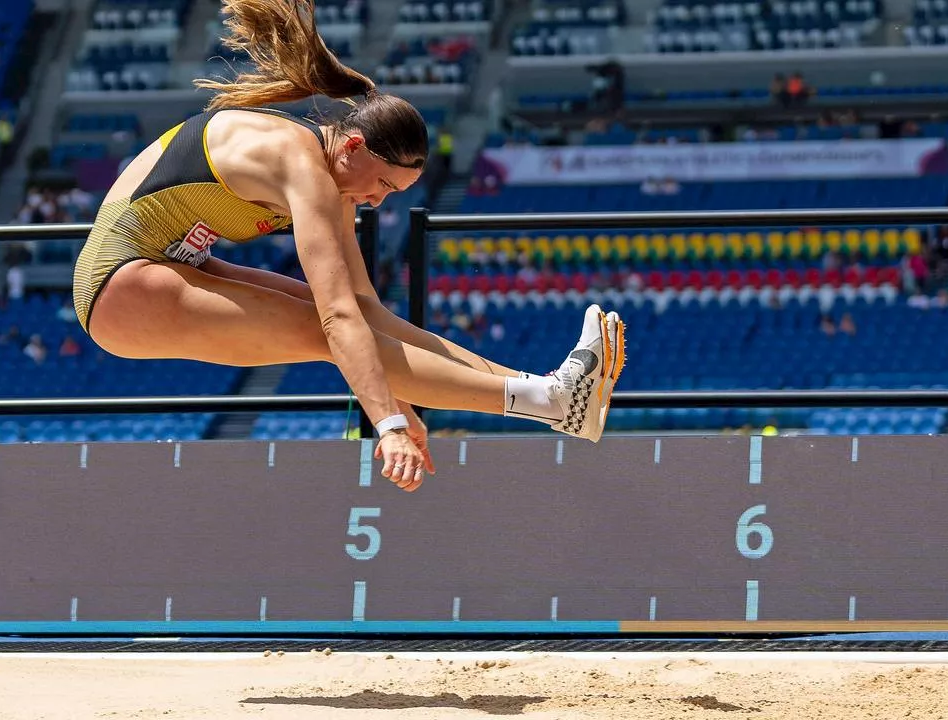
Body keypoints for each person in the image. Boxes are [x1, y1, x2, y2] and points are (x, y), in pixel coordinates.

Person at [70, 0, 626, 494]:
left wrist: (402, 408)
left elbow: (365, 310)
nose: (378, 202)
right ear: (354, 146)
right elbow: (337, 321)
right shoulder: (298, 162)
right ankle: (554, 403)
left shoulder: (334, 175)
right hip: (119, 286)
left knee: (362, 322)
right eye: (382, 185)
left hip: (175, 265)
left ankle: (550, 395)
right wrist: (385, 422)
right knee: (327, 330)